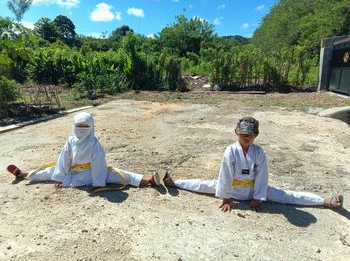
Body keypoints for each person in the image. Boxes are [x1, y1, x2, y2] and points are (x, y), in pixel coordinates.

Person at [163, 116, 343, 212]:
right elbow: (225, 175)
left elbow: (262, 176)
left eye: (250, 134)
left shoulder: (259, 153)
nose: (246, 137)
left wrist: (257, 197)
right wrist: (226, 197)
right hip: (232, 189)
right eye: (243, 134)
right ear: (236, 132)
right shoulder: (230, 151)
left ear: (256, 135)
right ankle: (174, 182)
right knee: (203, 184)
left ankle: (325, 202)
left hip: (253, 190)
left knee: (287, 196)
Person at [7, 112, 160, 190]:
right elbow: (64, 160)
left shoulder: (94, 143)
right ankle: (21, 174)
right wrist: (60, 177)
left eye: (85, 126)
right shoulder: (70, 140)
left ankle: (149, 181)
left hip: (90, 173)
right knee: (47, 171)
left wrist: (98, 183)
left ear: (92, 127)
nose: (82, 129)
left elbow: (98, 164)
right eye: (79, 126)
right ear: (74, 126)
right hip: (72, 172)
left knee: (119, 174)